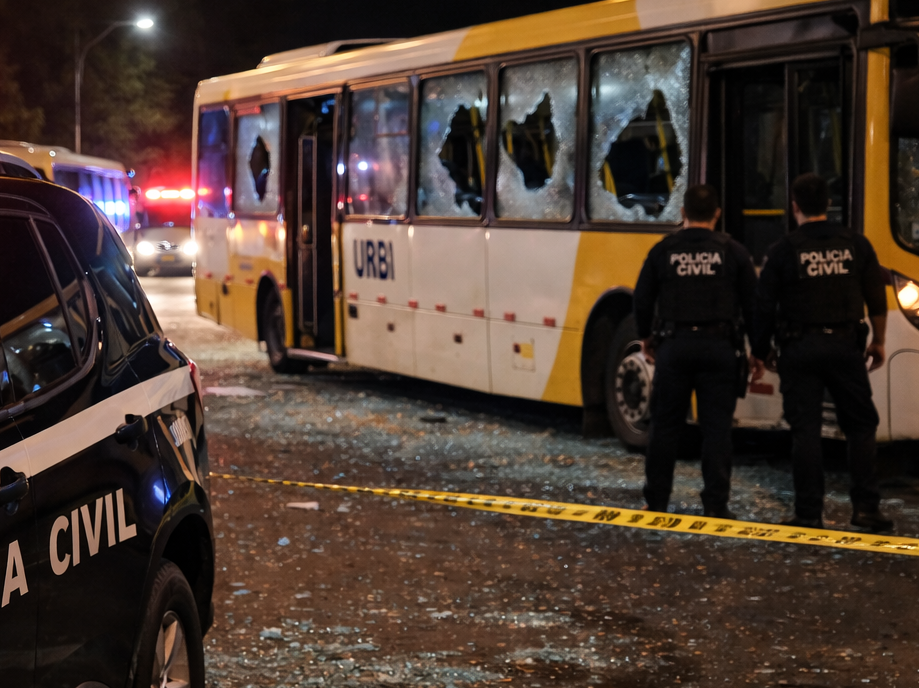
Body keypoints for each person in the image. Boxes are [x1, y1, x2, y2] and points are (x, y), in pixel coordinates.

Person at [751, 173, 893, 532]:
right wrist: (878, 340)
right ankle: (866, 509)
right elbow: (876, 297)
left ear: (794, 206)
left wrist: (761, 351)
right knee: (861, 425)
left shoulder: (783, 250)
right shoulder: (856, 244)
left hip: (799, 348)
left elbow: (763, 306)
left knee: (806, 430)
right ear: (828, 204)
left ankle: (808, 513)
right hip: (845, 346)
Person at [634, 184, 762, 518]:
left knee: (665, 427)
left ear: (683, 213)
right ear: (717, 214)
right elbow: (753, 305)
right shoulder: (733, 251)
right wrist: (759, 351)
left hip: (674, 347)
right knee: (716, 430)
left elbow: (642, 298)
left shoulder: (664, 250)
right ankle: (716, 505)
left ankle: (656, 501)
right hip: (720, 348)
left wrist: (646, 337)